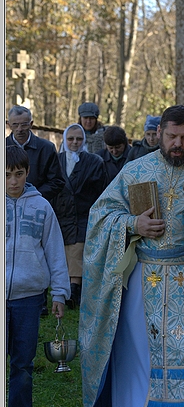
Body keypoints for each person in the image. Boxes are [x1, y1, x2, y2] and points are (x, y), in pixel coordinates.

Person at [79, 105, 184, 407]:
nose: (177, 144)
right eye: (170, 136)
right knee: (138, 352)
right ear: (160, 134)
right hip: (144, 279)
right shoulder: (135, 171)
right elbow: (100, 216)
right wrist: (131, 224)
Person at [6, 145, 70, 407]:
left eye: (18, 174)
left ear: (28, 172)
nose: (13, 181)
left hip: (29, 298)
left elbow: (55, 251)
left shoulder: (42, 206)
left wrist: (59, 293)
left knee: (22, 364)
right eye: (6, 174)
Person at [6, 105, 65, 316]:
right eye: (15, 125)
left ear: (31, 124)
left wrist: (32, 198)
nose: (20, 129)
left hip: (36, 204)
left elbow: (58, 181)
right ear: (8, 125)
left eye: (24, 124)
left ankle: (39, 302)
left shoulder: (46, 148)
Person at [51, 124, 107, 308]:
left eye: (79, 139)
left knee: (77, 250)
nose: (75, 142)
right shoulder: (55, 160)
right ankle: (66, 290)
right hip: (60, 215)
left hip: (84, 216)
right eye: (71, 139)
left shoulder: (94, 161)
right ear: (65, 140)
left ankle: (74, 291)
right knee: (62, 253)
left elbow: (101, 191)